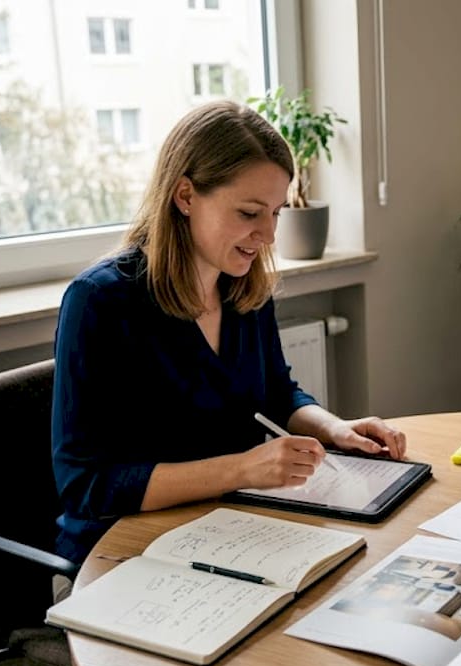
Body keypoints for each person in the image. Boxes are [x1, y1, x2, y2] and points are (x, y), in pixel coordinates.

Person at [52, 100, 406, 567]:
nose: (268, 234)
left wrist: (335, 428)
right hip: (120, 553)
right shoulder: (100, 302)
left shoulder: (244, 285)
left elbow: (277, 393)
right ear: (184, 196)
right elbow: (85, 484)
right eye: (249, 213)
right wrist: (243, 469)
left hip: (227, 531)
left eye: (275, 213)